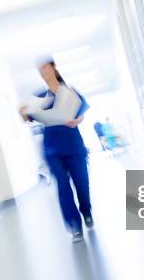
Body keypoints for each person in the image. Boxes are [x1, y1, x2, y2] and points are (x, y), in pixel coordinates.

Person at [20, 60, 93, 243]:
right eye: (40, 69)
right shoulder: (39, 96)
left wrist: (77, 120)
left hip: (73, 145)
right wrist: (22, 112)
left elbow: (81, 113)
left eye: (45, 67)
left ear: (54, 68)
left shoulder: (69, 91)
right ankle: (74, 226)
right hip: (52, 148)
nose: (43, 71)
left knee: (82, 184)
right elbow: (27, 116)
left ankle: (86, 211)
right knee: (62, 185)